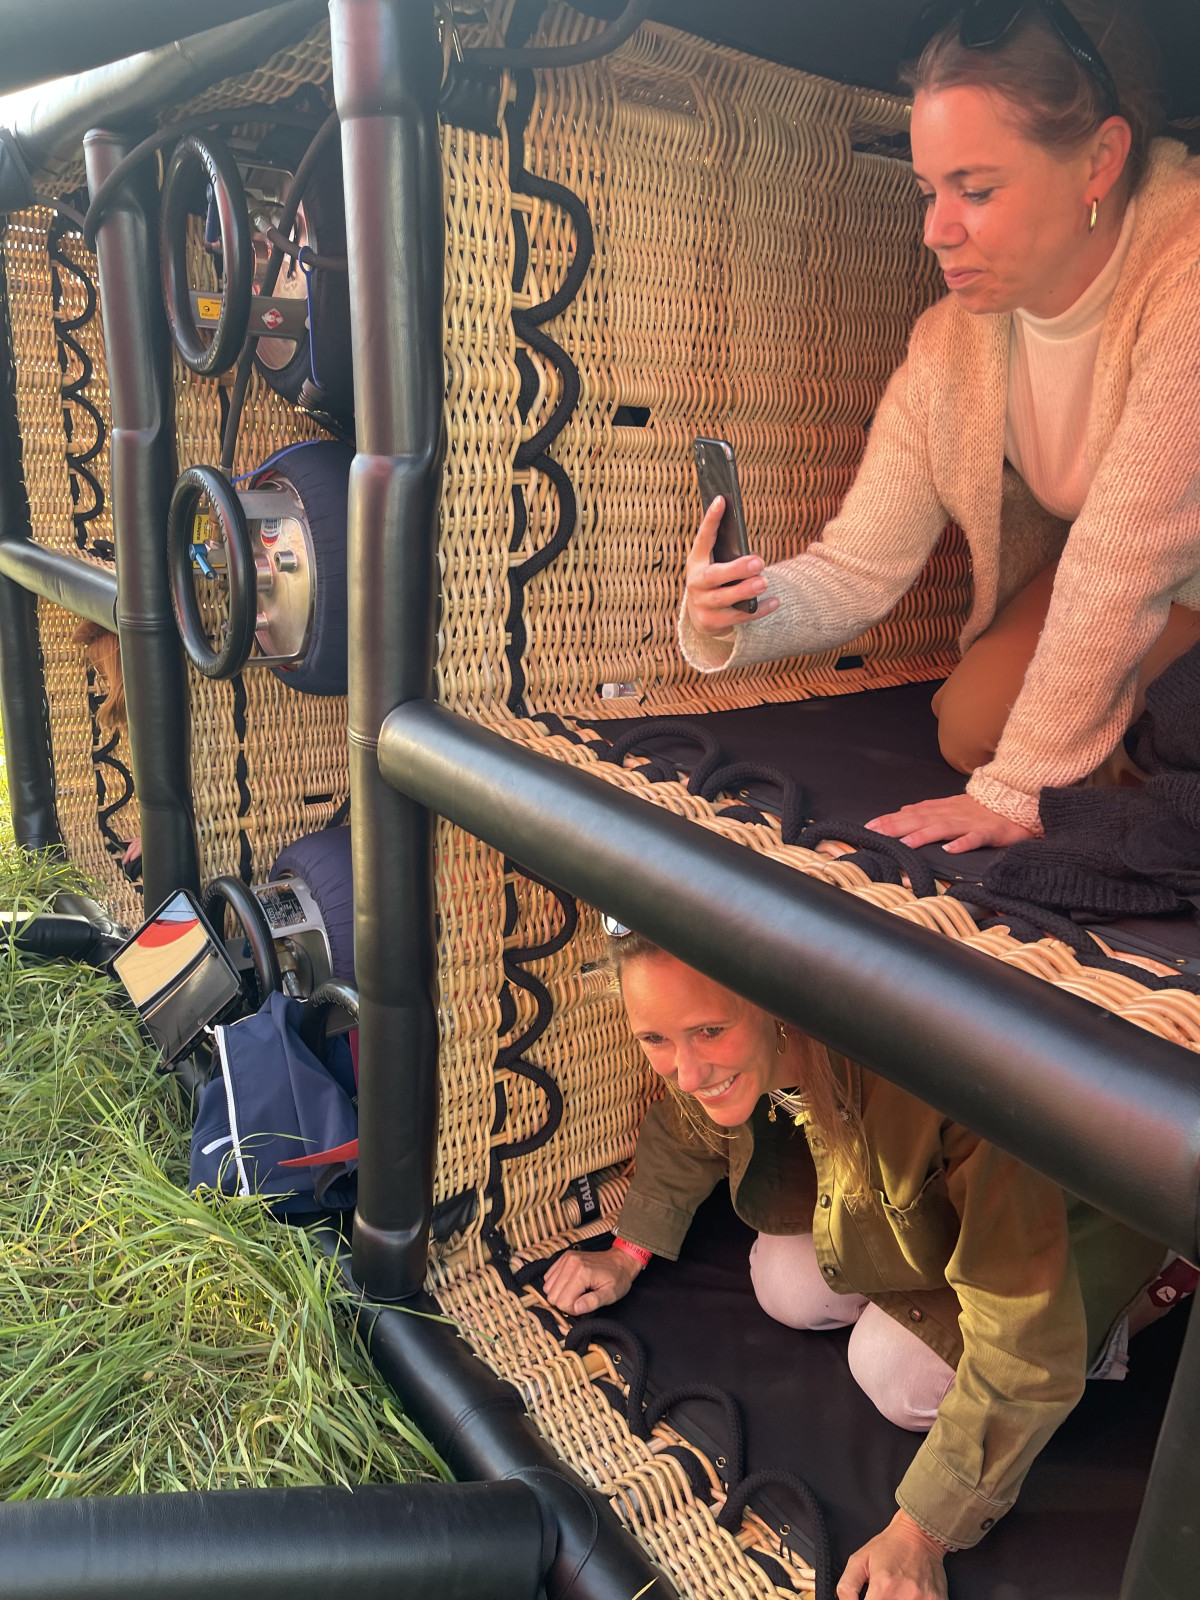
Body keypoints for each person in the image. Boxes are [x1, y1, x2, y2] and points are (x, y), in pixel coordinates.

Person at [681, 0, 1200, 855]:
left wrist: (1018, 793)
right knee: (970, 726)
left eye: (977, 190)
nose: (935, 231)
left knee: (1022, 756)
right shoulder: (953, 342)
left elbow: (1123, 559)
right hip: (1128, 577)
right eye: (928, 191)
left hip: (1164, 571)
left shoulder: (1184, 271)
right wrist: (740, 610)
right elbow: (857, 567)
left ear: (1100, 161)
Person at [544, 928, 1170, 1600]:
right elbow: (685, 1125)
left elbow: (1028, 1340)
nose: (687, 1072)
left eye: (711, 1031)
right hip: (929, 1223)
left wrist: (921, 1533)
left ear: (772, 999)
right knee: (784, 1283)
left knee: (896, 1375)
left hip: (1066, 1230)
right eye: (655, 1039)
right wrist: (628, 1252)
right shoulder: (736, 1060)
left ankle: (1157, 1281)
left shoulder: (941, 1086)